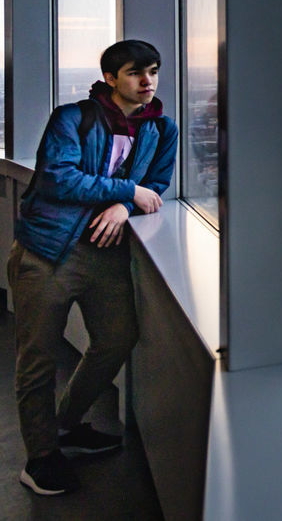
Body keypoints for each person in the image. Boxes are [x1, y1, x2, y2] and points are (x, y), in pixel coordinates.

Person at [7, 40, 178, 495]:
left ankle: (65, 424)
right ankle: (40, 458)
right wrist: (127, 189)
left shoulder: (163, 128)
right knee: (37, 359)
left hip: (104, 255)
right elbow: (58, 177)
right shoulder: (72, 118)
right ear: (109, 78)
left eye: (153, 72)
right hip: (47, 254)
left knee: (118, 338)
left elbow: (156, 185)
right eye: (134, 73)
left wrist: (124, 205)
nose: (147, 82)